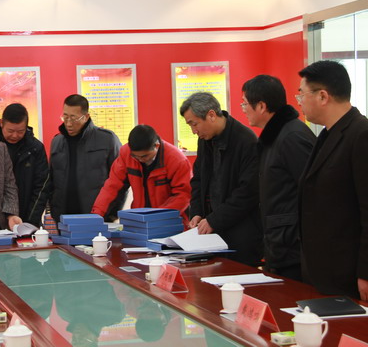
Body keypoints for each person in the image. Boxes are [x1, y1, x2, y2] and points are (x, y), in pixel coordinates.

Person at [297, 60, 368, 301]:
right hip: (322, 271)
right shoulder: (327, 135)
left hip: (348, 272)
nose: (300, 102)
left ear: (323, 96)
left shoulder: (361, 134)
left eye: (302, 94)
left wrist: (365, 272)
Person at [241, 75, 316, 281]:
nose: (243, 109)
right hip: (279, 246)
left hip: (293, 250)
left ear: (261, 106)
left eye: (245, 103)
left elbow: (312, 194)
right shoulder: (275, 135)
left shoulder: (292, 137)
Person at [180, 92, 262, 267]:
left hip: (241, 236)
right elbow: (198, 180)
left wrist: (214, 220)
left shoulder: (246, 141)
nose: (194, 131)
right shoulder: (205, 139)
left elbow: (248, 192)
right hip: (211, 235)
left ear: (211, 115)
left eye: (194, 124)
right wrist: (197, 212)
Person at [92, 124, 192, 225]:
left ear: (156, 146)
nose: (140, 159)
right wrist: (97, 215)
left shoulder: (177, 160)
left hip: (171, 221)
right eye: (135, 156)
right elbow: (112, 186)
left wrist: (158, 217)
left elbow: (183, 195)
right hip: (139, 220)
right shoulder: (126, 153)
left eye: (145, 156)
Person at [49, 94, 125, 222]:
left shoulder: (107, 140)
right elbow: (51, 181)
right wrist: (53, 210)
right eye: (65, 117)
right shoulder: (57, 142)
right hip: (63, 218)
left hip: (98, 216)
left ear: (86, 117)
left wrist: (112, 214)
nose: (68, 123)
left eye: (74, 118)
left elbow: (121, 180)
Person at [0, 103, 50, 226]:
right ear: (1, 123)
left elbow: (41, 188)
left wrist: (29, 222)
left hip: (25, 217)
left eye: (20, 131)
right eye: (10, 131)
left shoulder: (35, 148)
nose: (15, 135)